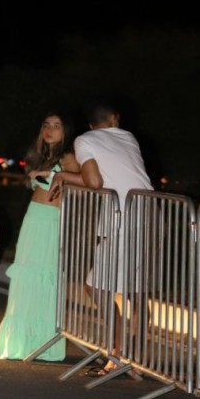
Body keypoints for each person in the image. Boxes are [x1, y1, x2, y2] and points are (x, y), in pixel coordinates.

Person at [50, 102, 152, 371]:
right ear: (115, 117)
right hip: (149, 213)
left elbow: (94, 182)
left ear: (90, 124)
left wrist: (63, 175)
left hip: (123, 218)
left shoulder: (85, 140)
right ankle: (133, 358)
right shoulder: (128, 136)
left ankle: (118, 355)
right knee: (135, 291)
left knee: (97, 287)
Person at [0, 113, 80, 361]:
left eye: (57, 126)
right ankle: (22, 341)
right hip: (34, 217)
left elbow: (83, 181)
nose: (50, 130)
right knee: (26, 278)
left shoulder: (68, 156)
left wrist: (49, 175)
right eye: (46, 125)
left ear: (66, 131)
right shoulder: (44, 156)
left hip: (51, 220)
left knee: (43, 278)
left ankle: (42, 342)